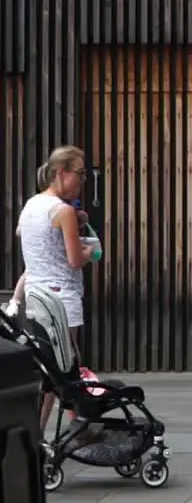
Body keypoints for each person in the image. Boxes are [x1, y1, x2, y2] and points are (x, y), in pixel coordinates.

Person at [14, 146, 100, 437]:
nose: (82, 180)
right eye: (80, 173)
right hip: (63, 300)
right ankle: (65, 429)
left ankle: (74, 426)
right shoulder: (62, 210)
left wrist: (71, 224)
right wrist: (90, 251)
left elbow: (24, 234)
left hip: (37, 299)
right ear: (62, 173)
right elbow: (76, 260)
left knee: (56, 368)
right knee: (63, 369)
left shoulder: (31, 205)